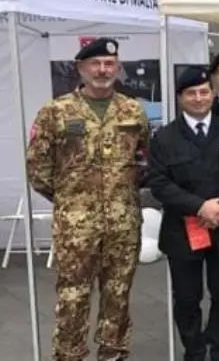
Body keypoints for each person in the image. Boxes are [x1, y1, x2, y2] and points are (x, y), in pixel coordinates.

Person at [26, 38, 149, 361]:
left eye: (109, 64)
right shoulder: (56, 111)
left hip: (123, 224)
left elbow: (144, 158)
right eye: (95, 63)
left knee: (118, 296)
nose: (102, 70)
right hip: (76, 228)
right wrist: (71, 198)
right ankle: (69, 356)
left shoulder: (133, 110)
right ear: (80, 68)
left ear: (118, 68)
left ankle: (113, 354)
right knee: (72, 297)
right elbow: (38, 169)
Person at [147, 67, 219, 361]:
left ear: (212, 93)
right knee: (186, 299)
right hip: (183, 232)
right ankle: (194, 351)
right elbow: (158, 183)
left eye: (204, 92)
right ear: (180, 97)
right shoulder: (165, 138)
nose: (199, 98)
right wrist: (200, 207)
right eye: (191, 93)